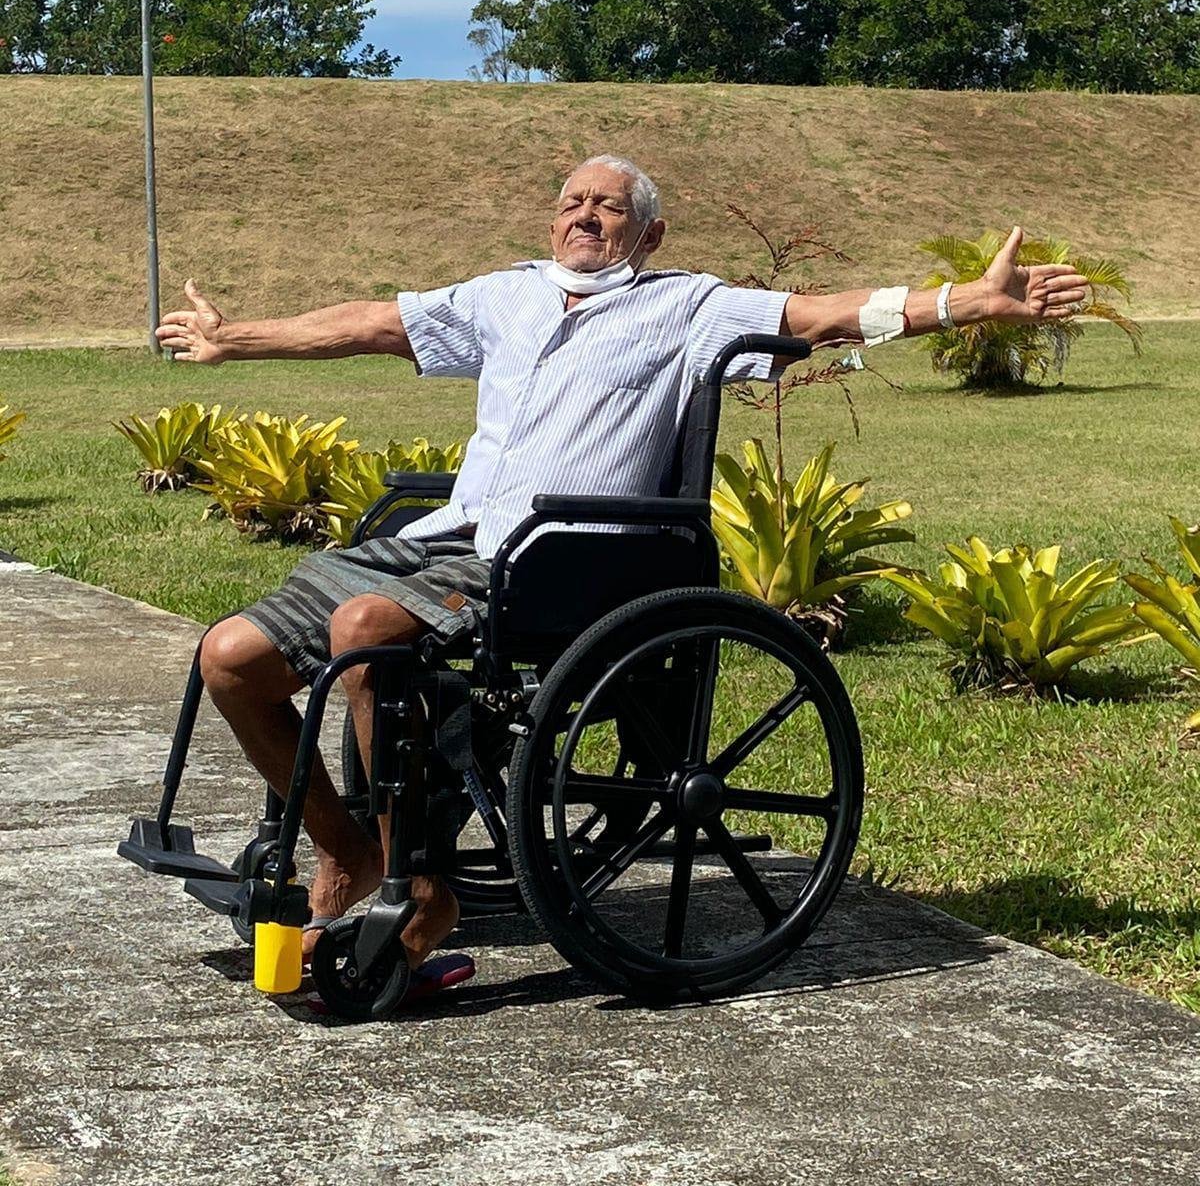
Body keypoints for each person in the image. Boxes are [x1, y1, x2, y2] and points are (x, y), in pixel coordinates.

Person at [159, 153, 1088, 977]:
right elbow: (369, 323)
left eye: (609, 206)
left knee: (364, 631)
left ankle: (422, 882)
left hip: (578, 553)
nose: (586, 217)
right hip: (455, 536)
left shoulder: (686, 304)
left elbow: (822, 315)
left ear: (648, 231)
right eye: (574, 201)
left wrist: (964, 302)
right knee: (231, 658)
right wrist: (233, 337)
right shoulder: (505, 294)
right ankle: (346, 846)